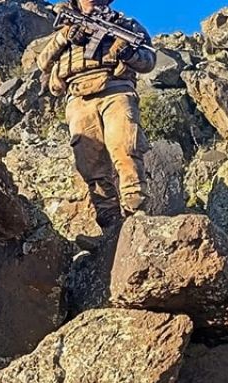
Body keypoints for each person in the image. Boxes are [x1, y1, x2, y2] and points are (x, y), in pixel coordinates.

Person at [38, 0, 156, 227]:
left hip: (116, 90)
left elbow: (149, 61)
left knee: (125, 147)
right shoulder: (65, 25)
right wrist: (65, 36)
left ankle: (137, 213)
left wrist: (128, 53)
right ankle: (109, 223)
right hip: (78, 97)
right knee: (89, 162)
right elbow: (42, 61)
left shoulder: (126, 25)